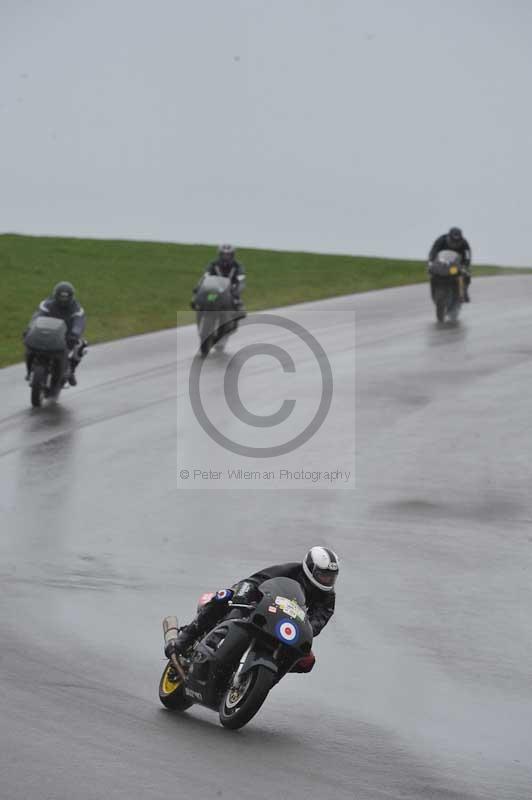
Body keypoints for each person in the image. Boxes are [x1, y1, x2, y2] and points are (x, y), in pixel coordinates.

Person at [165, 546, 339, 674]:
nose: (327, 580)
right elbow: (254, 581)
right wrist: (243, 597)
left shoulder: (328, 598)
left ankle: (264, 676)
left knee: (307, 661)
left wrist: (303, 631)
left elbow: (315, 625)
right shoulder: (290, 570)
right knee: (224, 596)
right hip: (259, 605)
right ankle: (184, 641)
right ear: (309, 568)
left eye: (331, 576)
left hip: (283, 624)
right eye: (323, 575)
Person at [24, 281, 87, 386]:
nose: (63, 300)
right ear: (55, 295)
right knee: (29, 346)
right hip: (48, 332)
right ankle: (29, 371)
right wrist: (30, 328)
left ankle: (71, 371)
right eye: (61, 297)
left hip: (67, 336)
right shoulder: (46, 304)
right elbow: (37, 316)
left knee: (82, 345)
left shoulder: (77, 308)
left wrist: (75, 334)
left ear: (71, 297)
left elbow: (79, 322)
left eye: (66, 298)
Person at [191, 244, 245, 309]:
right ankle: (202, 309)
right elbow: (205, 276)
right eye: (224, 254)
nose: (226, 257)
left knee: (237, 304)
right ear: (220, 254)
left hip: (230, 290)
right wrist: (197, 288)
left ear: (232, 255)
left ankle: (234, 310)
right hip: (215, 289)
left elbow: (241, 281)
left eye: (228, 255)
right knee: (202, 300)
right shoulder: (213, 264)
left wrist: (237, 292)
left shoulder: (237, 266)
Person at [428, 227, 472, 301]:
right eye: (453, 240)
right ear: (449, 237)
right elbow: (433, 250)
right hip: (441, 263)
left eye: (457, 241)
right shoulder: (441, 240)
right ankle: (434, 290)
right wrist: (431, 261)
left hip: (457, 264)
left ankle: (464, 291)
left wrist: (465, 265)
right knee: (432, 272)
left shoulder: (464, 243)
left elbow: (467, 255)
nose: (455, 243)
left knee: (465, 274)